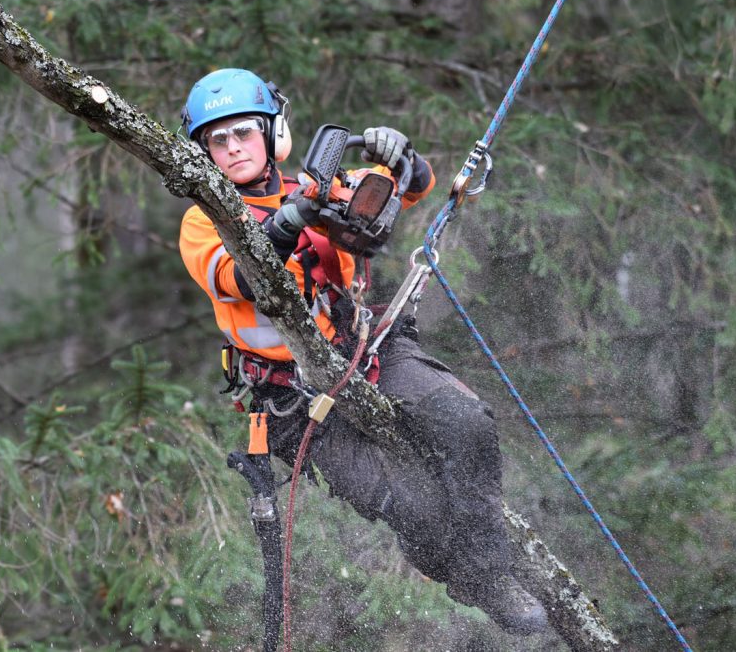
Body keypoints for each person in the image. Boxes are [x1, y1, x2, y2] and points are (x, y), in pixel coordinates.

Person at [178, 68, 547, 636]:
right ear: (204, 153)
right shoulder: (203, 222)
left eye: (243, 134)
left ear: (272, 134)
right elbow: (243, 280)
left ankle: (494, 570)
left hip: (370, 351)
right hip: (293, 402)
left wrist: (395, 152)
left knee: (463, 420)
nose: (232, 149)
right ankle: (471, 580)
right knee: (416, 505)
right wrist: (292, 219)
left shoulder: (320, 184)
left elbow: (414, 182)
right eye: (218, 141)